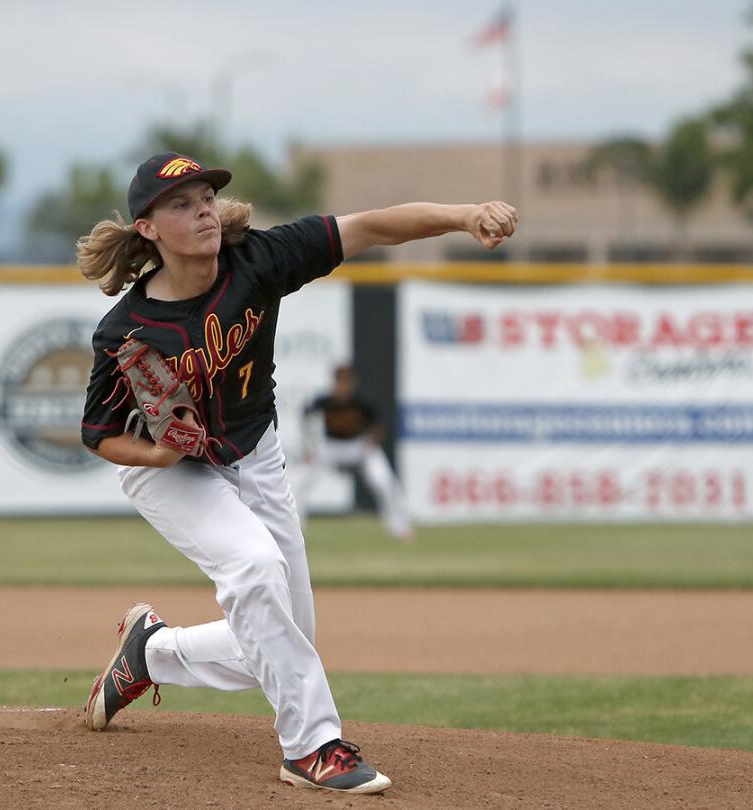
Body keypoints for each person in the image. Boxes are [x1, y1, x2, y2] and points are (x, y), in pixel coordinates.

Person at [74, 150, 517, 795]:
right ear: (147, 228)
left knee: (286, 639)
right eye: (180, 204)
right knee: (255, 571)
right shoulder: (126, 329)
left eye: (204, 197)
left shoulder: (259, 259)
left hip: (254, 452)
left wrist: (464, 214)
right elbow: (100, 435)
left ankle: (151, 651)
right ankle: (313, 748)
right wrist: (162, 454)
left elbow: (371, 226)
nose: (201, 210)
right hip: (172, 471)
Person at [296, 363, 416, 542]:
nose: (342, 386)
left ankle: (400, 527)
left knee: (384, 481)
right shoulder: (325, 401)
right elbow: (305, 416)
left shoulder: (361, 402)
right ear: (334, 383)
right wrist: (309, 447)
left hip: (358, 446)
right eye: (339, 382)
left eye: (346, 382)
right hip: (331, 447)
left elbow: (378, 426)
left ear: (352, 383)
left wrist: (372, 441)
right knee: (299, 482)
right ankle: (296, 530)